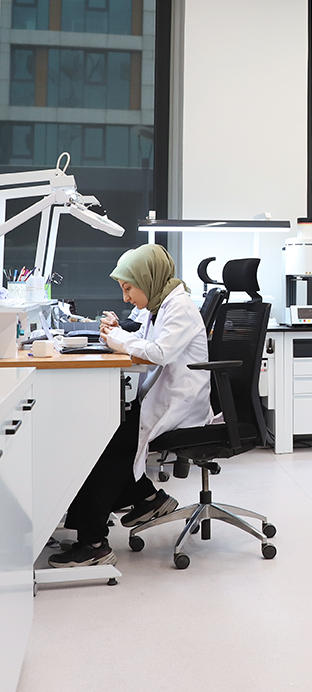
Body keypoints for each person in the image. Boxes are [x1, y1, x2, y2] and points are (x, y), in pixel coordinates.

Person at [48, 243, 212, 568]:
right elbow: (148, 344)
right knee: (107, 436)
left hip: (180, 407)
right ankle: (145, 498)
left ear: (147, 278)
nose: (126, 298)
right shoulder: (161, 304)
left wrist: (118, 339)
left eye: (128, 288)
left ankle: (93, 543)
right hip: (160, 398)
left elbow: (159, 352)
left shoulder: (179, 306)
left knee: (107, 445)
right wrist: (121, 334)